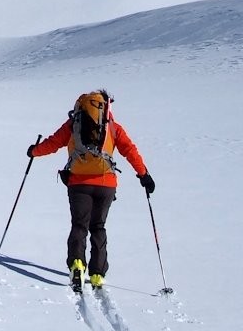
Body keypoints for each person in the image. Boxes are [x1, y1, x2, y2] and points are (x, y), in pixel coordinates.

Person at [27, 89, 154, 292]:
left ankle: (77, 264)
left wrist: (34, 151)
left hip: (78, 183)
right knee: (98, 226)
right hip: (106, 185)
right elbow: (130, 150)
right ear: (106, 105)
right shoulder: (113, 127)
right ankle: (97, 274)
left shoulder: (73, 124)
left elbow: (53, 144)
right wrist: (144, 175)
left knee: (79, 225)